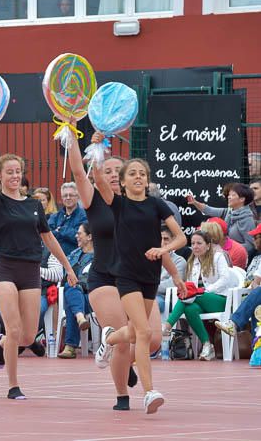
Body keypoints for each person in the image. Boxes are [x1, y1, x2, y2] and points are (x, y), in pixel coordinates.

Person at [0, 129, 77, 400]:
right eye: (9, 171)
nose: (15, 175)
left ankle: (3, 343)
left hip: (30, 270)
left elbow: (48, 237)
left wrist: (67, 267)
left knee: (29, 336)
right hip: (6, 268)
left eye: (18, 171)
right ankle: (13, 385)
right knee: (14, 327)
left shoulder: (34, 205)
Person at [91, 135, 187, 414]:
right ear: (122, 181)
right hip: (126, 275)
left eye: (142, 174)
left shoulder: (156, 206)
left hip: (150, 275)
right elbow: (98, 178)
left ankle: (108, 339)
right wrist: (98, 148)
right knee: (144, 332)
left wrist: (163, 250)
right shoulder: (118, 204)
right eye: (132, 173)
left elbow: (180, 239)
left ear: (147, 180)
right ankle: (148, 392)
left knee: (133, 332)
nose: (138, 177)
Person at [165, 230, 236, 360]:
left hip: (220, 299)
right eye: (193, 243)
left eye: (199, 243)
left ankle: (168, 325)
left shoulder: (218, 257)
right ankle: (207, 345)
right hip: (198, 300)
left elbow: (225, 279)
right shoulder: (192, 262)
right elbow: (191, 287)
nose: (195, 246)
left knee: (190, 297)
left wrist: (206, 290)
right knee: (189, 308)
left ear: (208, 245)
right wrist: (194, 292)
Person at [58, 223, 94, 359]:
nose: (76, 236)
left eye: (79, 233)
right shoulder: (74, 253)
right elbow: (63, 274)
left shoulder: (98, 256)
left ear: (89, 237)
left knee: (71, 291)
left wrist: (76, 283)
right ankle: (80, 316)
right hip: (75, 295)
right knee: (71, 288)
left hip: (91, 297)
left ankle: (70, 347)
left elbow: (92, 280)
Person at [188, 183, 256, 255]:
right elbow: (208, 210)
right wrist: (195, 203)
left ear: (242, 199)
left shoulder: (247, 219)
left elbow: (250, 246)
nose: (229, 197)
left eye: (233, 195)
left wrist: (229, 249)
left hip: (237, 256)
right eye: (229, 195)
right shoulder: (229, 211)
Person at [48, 182, 87, 255]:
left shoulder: (84, 216)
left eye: (71, 195)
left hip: (74, 259)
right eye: (65, 195)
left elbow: (81, 238)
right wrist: (70, 232)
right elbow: (48, 236)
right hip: (53, 259)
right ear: (62, 198)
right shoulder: (55, 216)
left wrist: (61, 229)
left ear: (78, 197)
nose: (68, 198)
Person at [157, 226, 187, 314]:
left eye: (166, 239)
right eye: (159, 238)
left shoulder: (179, 261)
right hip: (147, 294)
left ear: (173, 241)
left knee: (152, 303)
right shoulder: (149, 256)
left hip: (166, 298)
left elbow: (173, 284)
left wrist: (150, 287)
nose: (162, 242)